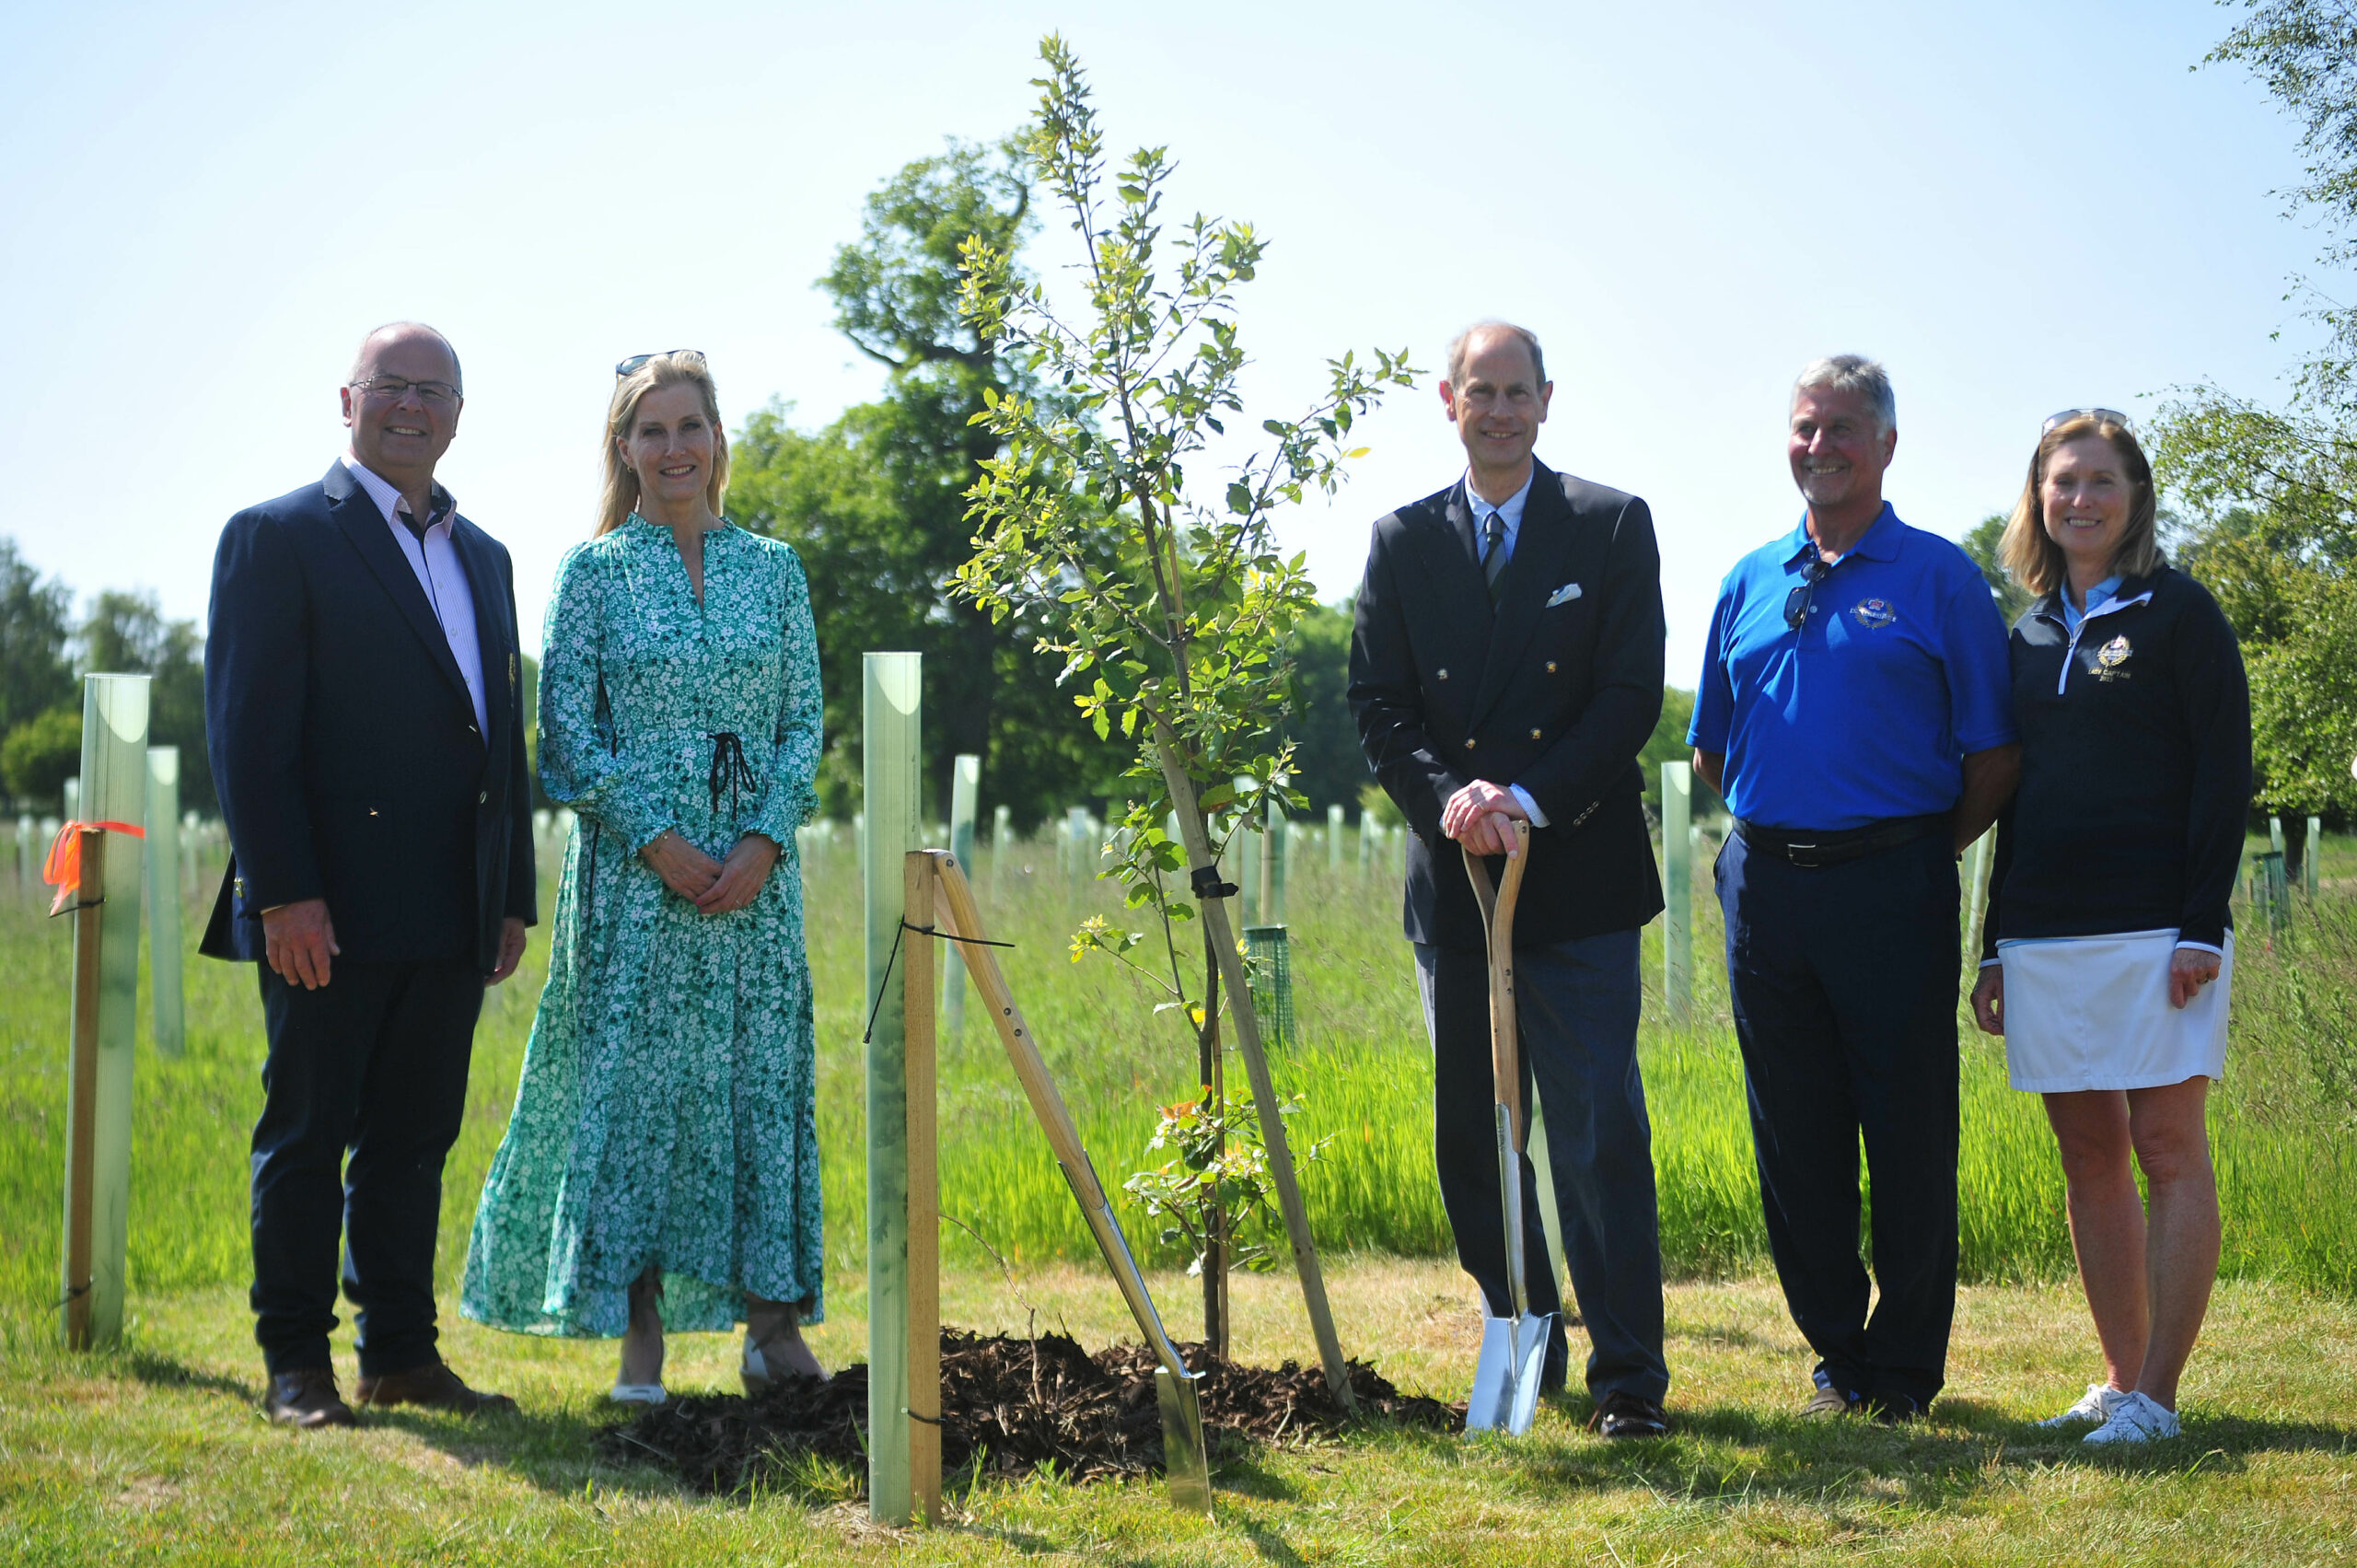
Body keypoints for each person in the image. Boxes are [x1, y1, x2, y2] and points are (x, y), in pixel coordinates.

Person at [460, 351, 827, 1403]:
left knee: (759, 1084)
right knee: (636, 1095)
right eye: (651, 430)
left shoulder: (775, 568)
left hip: (756, 885)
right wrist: (655, 835)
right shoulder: (596, 572)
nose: (674, 448)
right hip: (637, 878)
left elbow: (801, 719)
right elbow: (564, 731)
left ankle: (771, 1327)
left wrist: (763, 835)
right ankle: (641, 1344)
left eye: (690, 426)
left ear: (718, 438)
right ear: (623, 447)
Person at [203, 322, 536, 1428]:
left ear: (456, 413)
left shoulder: (483, 554)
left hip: (449, 903)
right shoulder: (277, 535)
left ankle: (399, 1351)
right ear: (345, 401)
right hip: (323, 906)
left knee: (414, 1137)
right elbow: (249, 738)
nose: (411, 406)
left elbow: (504, 742)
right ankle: (295, 1361)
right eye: (390, 386)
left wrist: (511, 894)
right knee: (306, 1135)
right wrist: (281, 891)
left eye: (432, 391)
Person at [1351, 320, 1673, 1438]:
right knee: (1476, 1138)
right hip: (1455, 887)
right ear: (1447, 399)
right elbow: (1378, 703)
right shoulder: (1401, 540)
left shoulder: (1610, 523)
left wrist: (1525, 799)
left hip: (1575, 880)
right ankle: (1525, 1333)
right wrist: (1453, 798)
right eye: (1477, 391)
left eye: (1515, 392)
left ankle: (1628, 1378)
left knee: (1594, 1136)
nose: (1497, 410)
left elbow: (1629, 694)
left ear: (1547, 400)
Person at [1688, 354, 2018, 1423]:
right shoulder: (1747, 577)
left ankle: (1906, 1366)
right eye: (1802, 427)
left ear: (1884, 444)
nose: (1817, 446)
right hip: (1766, 891)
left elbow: (1993, 754)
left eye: (1840, 429)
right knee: (1793, 1130)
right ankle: (1835, 1352)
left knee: (1908, 1125)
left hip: (1894, 881)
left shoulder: (1937, 577)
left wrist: (1919, 852)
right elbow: (1711, 748)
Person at [1968, 411, 2249, 1445]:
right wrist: (1992, 945)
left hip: (2157, 932)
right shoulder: (2026, 633)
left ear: (2133, 496)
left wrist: (2202, 926)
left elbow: (2226, 776)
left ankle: (2161, 1399)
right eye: (2060, 481)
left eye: (2099, 481)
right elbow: (2010, 799)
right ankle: (2119, 1379)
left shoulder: (2181, 616)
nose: (2078, 499)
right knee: (2089, 1154)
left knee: (2166, 1143)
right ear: (2036, 498)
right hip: (2045, 936)